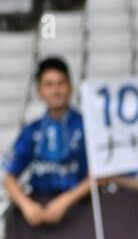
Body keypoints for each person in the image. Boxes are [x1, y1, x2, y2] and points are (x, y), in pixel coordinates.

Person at [3, 57, 91, 227]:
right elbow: (9, 177)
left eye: (60, 83)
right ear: (39, 91)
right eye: (49, 85)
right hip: (40, 209)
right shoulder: (32, 130)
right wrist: (26, 205)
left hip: (79, 208)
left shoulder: (86, 126)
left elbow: (99, 176)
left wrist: (64, 202)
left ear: (70, 87)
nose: (56, 90)